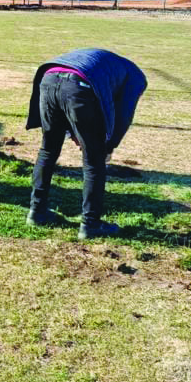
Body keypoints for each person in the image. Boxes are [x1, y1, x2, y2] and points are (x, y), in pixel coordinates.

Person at [25, 48, 147, 239]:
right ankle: (91, 224)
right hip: (79, 84)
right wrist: (109, 146)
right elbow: (124, 113)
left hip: (48, 79)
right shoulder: (137, 78)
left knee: (48, 150)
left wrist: (76, 130)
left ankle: (36, 212)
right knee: (94, 160)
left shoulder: (109, 65)